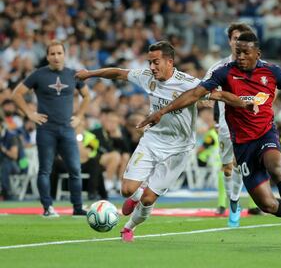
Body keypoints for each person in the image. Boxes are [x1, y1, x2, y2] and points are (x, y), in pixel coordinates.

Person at [140, 32, 281, 243]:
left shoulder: (273, 72)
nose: (240, 56)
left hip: (266, 133)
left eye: (245, 52)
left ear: (257, 53)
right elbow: (195, 94)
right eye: (237, 52)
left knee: (275, 167)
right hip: (242, 144)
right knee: (267, 205)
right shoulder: (225, 73)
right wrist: (162, 111)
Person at [75, 41, 254, 242]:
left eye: (156, 62)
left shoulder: (189, 83)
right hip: (152, 141)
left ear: (170, 62)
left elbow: (219, 94)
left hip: (179, 148)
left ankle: (128, 227)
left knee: (149, 198)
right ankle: (136, 196)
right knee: (127, 190)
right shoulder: (146, 77)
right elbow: (118, 73)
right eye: (149, 62)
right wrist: (90, 74)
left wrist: (243, 103)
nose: (151, 67)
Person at [12, 40, 90, 217]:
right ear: (47, 56)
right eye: (52, 53)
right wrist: (30, 114)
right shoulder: (38, 75)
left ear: (64, 55)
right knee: (45, 170)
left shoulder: (73, 75)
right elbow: (16, 94)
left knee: (75, 170)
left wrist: (79, 116)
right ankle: (48, 207)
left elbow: (86, 96)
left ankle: (77, 208)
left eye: (59, 53)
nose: (56, 57)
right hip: (46, 129)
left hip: (67, 129)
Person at [204, 22, 260, 227]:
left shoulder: (258, 66)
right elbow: (204, 91)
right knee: (228, 167)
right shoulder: (219, 68)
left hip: (253, 124)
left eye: (242, 39)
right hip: (227, 125)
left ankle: (250, 203)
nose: (238, 42)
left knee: (247, 164)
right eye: (235, 38)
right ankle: (233, 202)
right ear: (230, 41)